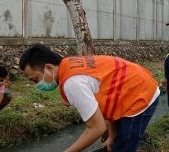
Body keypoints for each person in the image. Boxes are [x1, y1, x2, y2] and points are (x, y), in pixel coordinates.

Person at [19, 44, 160, 152]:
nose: (36, 85)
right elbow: (110, 95)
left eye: (35, 80)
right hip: (131, 88)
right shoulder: (67, 64)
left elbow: (96, 128)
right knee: (117, 141)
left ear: (49, 68)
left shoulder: (72, 83)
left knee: (124, 146)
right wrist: (111, 135)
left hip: (140, 93)